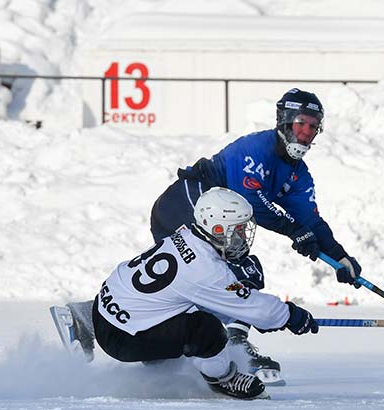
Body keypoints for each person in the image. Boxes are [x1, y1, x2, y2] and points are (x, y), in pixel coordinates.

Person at [145, 87, 362, 385]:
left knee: (213, 278)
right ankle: (233, 348)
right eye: (301, 123)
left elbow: (310, 219)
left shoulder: (298, 174)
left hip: (216, 220)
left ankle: (95, 320)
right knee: (232, 273)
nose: (306, 133)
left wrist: (339, 257)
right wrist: (293, 231)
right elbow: (252, 202)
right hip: (186, 205)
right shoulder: (256, 148)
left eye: (313, 127)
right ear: (285, 121)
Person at [52, 188, 318, 400]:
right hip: (121, 338)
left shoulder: (185, 236)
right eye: (237, 230)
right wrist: (291, 316)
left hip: (106, 306)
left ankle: (84, 314)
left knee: (185, 309)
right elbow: (254, 308)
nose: (243, 237)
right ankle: (223, 379)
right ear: (216, 229)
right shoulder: (205, 270)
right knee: (207, 328)